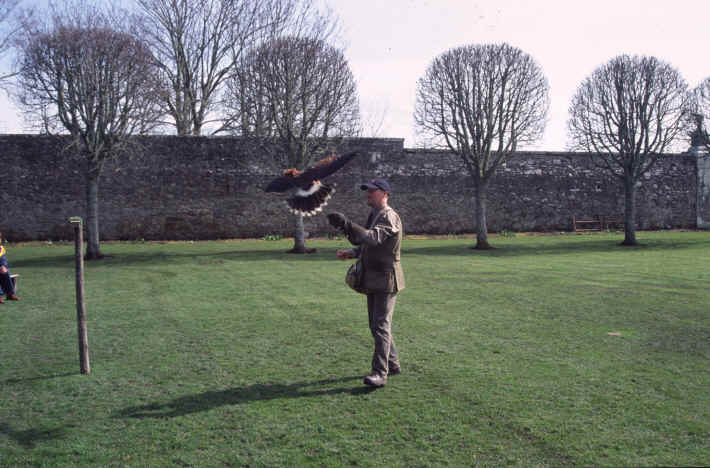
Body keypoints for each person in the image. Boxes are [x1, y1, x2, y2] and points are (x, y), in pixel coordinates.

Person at [327, 178, 405, 388]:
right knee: (377, 324)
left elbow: (372, 239)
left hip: (386, 278)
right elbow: (367, 247)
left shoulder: (389, 216)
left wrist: (347, 225)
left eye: (372, 191)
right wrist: (350, 252)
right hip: (374, 277)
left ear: (385, 193)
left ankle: (380, 373)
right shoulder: (375, 215)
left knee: (380, 325)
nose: (368, 194)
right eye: (367, 191)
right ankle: (393, 363)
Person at [0, 232, 20, 303]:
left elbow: (3, 262)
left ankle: (10, 294)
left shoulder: (1, 249)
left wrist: (2, 267)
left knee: (4, 271)